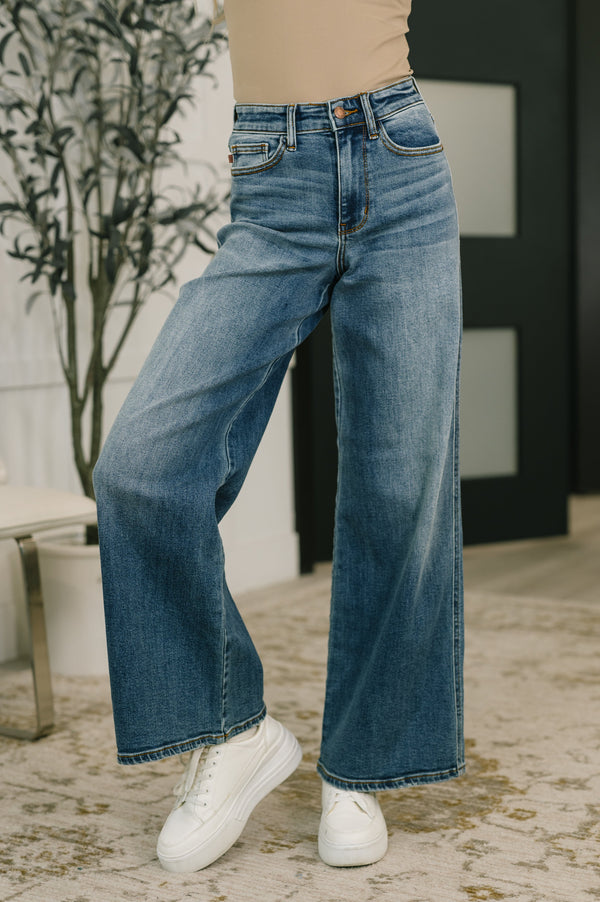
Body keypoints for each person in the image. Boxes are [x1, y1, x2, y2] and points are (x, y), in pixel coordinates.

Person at [93, 0, 465, 873]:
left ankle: (361, 767)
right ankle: (232, 729)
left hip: (401, 158)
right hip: (273, 176)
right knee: (140, 468)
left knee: (398, 490)